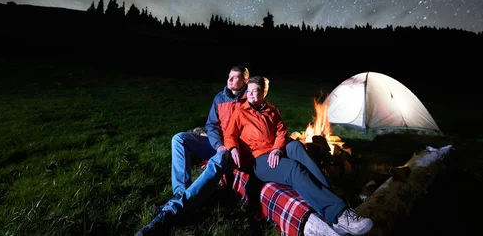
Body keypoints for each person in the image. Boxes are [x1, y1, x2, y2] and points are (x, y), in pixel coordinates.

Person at [135, 67, 330, 235]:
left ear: (245, 81)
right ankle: (180, 194)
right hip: (218, 143)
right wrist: (218, 144)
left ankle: (176, 210)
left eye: (235, 77)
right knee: (179, 139)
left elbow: (270, 125)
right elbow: (211, 125)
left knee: (220, 159)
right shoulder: (220, 98)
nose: (229, 80)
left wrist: (239, 148)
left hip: (234, 148)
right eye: (229, 76)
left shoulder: (251, 98)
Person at [225, 76, 374, 236]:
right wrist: (233, 148)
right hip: (257, 159)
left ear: (264, 92)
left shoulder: (272, 111)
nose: (252, 95)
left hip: (273, 150)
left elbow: (282, 131)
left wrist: (276, 149)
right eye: (249, 91)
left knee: (296, 146)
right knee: (293, 169)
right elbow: (229, 135)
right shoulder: (240, 112)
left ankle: (330, 201)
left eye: (256, 91)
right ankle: (339, 215)